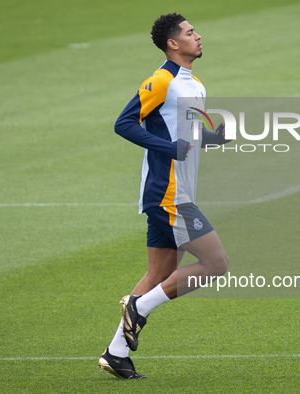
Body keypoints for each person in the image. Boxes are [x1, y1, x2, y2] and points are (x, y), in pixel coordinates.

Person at [98, 13, 229, 379]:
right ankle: (137, 307)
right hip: (168, 193)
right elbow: (124, 123)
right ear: (173, 43)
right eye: (190, 33)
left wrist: (211, 138)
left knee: (160, 273)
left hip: (178, 191)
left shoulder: (194, 83)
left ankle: (116, 353)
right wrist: (169, 148)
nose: (198, 36)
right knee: (215, 265)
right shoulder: (162, 80)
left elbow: (186, 133)